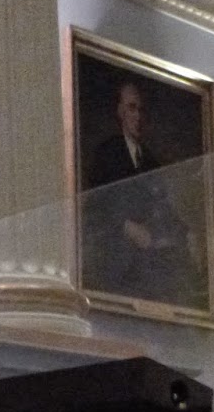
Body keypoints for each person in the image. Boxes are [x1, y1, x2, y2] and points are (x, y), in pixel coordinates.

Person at [81, 78, 199, 305]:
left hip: (147, 257)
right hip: (117, 256)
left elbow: (163, 206)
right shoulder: (107, 153)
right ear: (120, 111)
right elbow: (95, 207)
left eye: (141, 110)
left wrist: (187, 233)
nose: (138, 116)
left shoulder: (151, 162)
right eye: (132, 108)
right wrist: (126, 226)